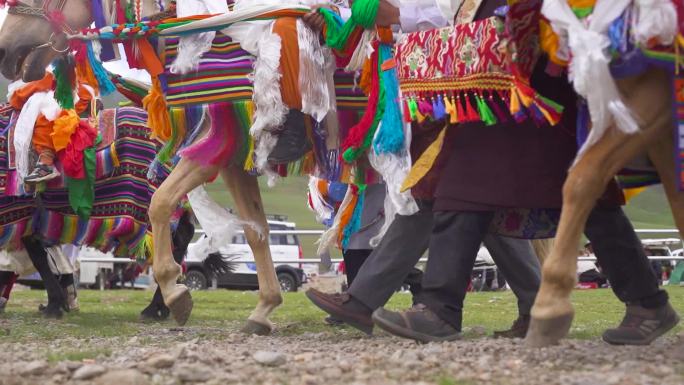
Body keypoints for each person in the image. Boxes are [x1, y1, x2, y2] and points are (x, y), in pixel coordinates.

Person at [362, 0, 678, 345]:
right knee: (461, 186)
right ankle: (439, 309)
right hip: (489, 85)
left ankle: (647, 302)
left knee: (589, 196)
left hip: (542, 89)